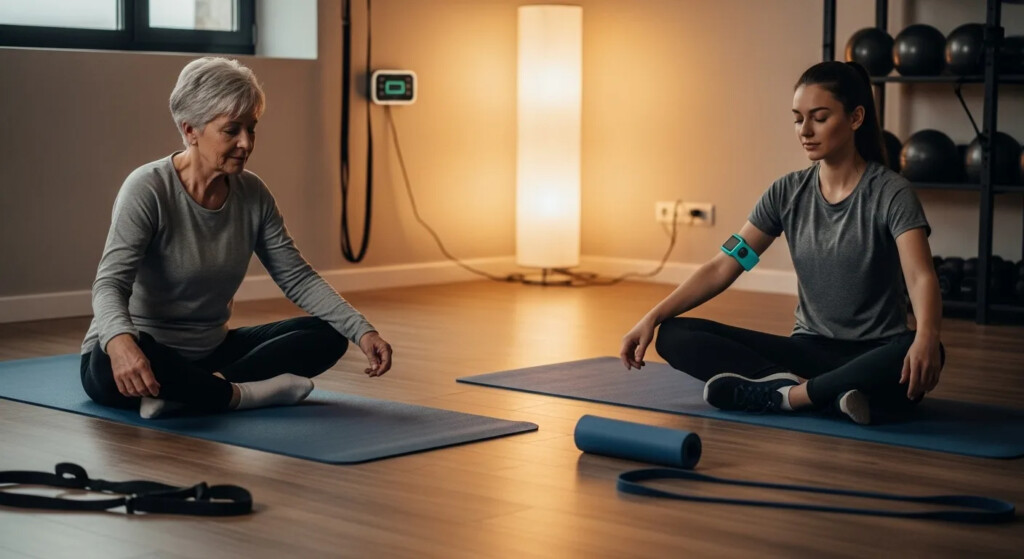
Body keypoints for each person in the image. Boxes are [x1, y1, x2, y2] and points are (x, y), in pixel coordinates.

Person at [619, 61, 943, 425]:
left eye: (819, 117)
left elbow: (920, 277)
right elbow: (724, 265)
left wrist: (927, 336)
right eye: (797, 118)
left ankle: (790, 397)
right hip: (806, 351)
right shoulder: (786, 192)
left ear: (855, 118)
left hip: (876, 353)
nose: (805, 130)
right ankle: (826, 395)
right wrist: (652, 316)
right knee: (675, 334)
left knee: (919, 349)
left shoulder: (891, 193)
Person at [80, 57, 393, 419]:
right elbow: (110, 284)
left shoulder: (252, 193)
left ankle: (200, 390)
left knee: (328, 335)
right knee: (105, 365)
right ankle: (239, 395)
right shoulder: (147, 188)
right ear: (190, 130)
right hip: (148, 349)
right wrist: (120, 343)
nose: (246, 143)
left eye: (252, 128)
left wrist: (362, 331)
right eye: (232, 130)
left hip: (212, 352)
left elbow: (298, 277)